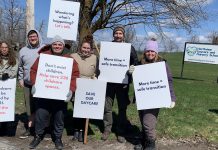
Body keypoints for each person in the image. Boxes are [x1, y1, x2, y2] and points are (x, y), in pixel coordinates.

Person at [29, 35, 79, 150]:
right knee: (41, 115)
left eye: (59, 44)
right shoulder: (43, 57)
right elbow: (33, 71)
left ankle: (57, 138)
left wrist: (71, 89)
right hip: (44, 93)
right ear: (51, 45)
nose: (57, 46)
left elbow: (75, 75)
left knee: (59, 117)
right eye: (55, 44)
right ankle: (38, 136)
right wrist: (34, 83)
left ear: (63, 46)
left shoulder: (69, 59)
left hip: (60, 95)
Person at [133, 38, 176, 150]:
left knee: (148, 123)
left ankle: (151, 144)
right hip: (142, 98)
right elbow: (136, 81)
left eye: (152, 51)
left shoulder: (162, 64)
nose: (150, 53)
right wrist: (131, 72)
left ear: (156, 52)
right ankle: (144, 140)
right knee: (143, 120)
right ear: (145, 52)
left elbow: (169, 80)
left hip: (155, 98)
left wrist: (172, 98)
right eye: (148, 51)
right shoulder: (139, 63)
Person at [101, 26, 139, 143]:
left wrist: (132, 68)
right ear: (113, 35)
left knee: (122, 108)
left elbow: (135, 61)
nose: (118, 35)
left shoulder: (129, 48)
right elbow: (102, 62)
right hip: (109, 82)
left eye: (120, 33)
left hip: (123, 82)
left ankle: (120, 131)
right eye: (116, 33)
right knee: (107, 107)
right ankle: (107, 129)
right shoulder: (107, 47)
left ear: (123, 35)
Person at [70, 35, 98, 142]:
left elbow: (98, 72)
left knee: (84, 111)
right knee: (76, 110)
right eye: (84, 47)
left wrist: (95, 78)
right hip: (76, 85)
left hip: (88, 87)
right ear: (80, 47)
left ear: (91, 49)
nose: (86, 50)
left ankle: (82, 131)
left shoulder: (95, 58)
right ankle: (76, 130)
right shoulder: (73, 56)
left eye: (88, 48)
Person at [18, 29, 44, 138]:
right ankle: (30, 128)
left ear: (38, 36)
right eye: (30, 37)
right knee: (29, 107)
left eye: (34, 36)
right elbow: (20, 67)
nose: (32, 38)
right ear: (28, 38)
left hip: (42, 84)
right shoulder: (23, 50)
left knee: (42, 107)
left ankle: (44, 129)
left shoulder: (45, 49)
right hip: (28, 83)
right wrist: (20, 79)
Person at [0, 41, 18, 136]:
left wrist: (8, 74)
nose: (4, 49)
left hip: (8, 87)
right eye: (2, 47)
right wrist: (2, 74)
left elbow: (14, 72)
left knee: (6, 106)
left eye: (6, 47)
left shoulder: (14, 59)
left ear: (9, 48)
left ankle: (5, 128)